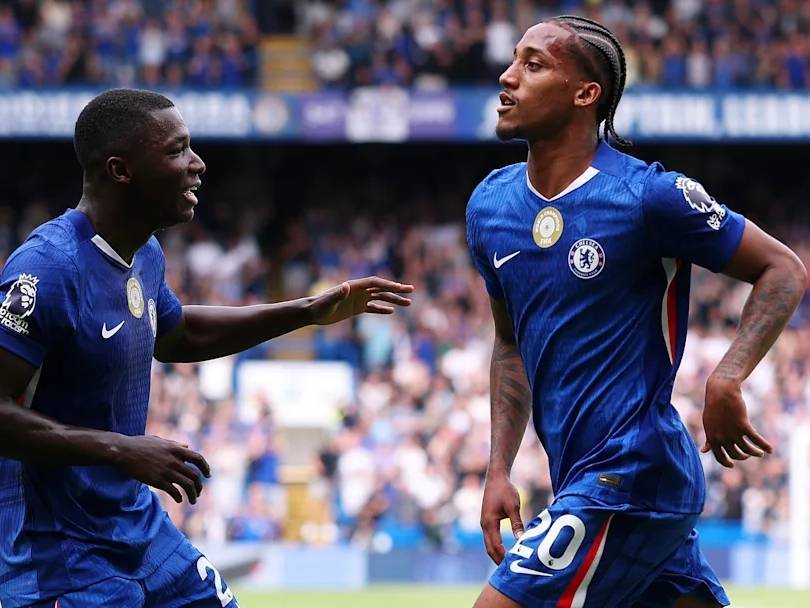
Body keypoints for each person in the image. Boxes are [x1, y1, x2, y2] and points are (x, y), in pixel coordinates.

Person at [0, 89, 414, 608]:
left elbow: (177, 334)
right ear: (120, 170)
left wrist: (307, 311)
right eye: (177, 150)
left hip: (137, 530)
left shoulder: (144, 254)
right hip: (58, 555)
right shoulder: (48, 269)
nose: (197, 164)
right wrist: (120, 449)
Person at [466, 16, 806, 608]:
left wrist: (727, 377)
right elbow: (509, 345)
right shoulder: (490, 205)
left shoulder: (649, 196)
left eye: (533, 64)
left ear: (585, 94)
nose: (508, 76)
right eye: (515, 59)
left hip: (630, 472)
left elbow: (783, 268)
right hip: (586, 475)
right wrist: (499, 468)